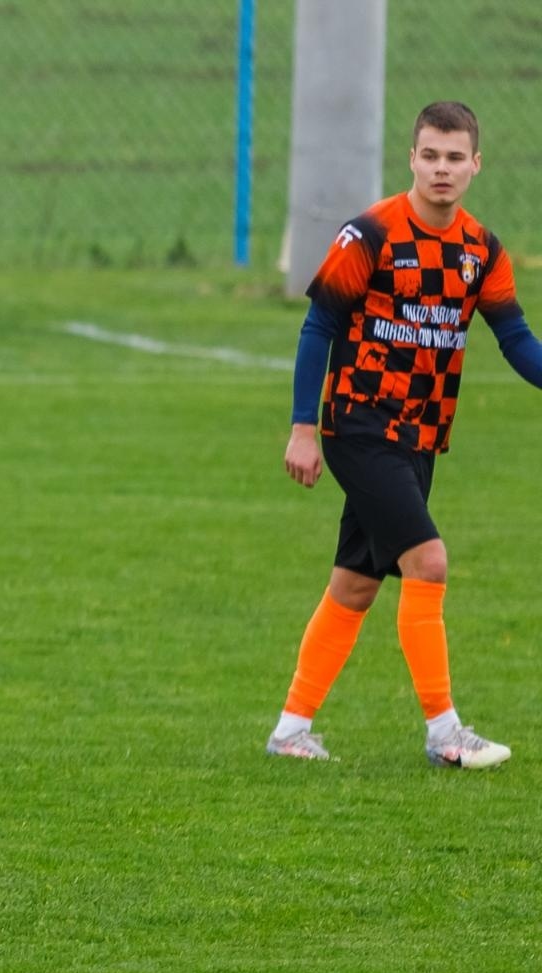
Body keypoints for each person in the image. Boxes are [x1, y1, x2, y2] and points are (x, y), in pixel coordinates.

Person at [268, 101, 542, 768]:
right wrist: (304, 427)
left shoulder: (483, 250)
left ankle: (290, 729)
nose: (441, 169)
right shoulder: (370, 235)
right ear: (412, 158)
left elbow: (515, 341)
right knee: (429, 561)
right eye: (430, 155)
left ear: (475, 164)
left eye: (454, 157)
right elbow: (318, 329)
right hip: (359, 426)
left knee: (355, 584)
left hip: (420, 437)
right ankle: (444, 730)